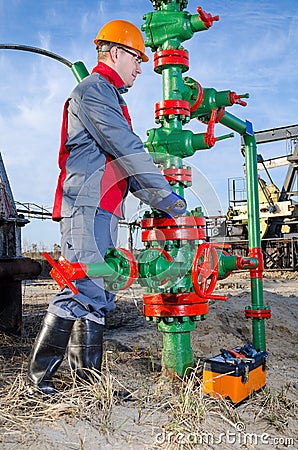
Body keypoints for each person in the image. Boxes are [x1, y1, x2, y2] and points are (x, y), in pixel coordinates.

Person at [27, 20, 187, 395]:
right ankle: (39, 383)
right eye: (136, 57)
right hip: (86, 206)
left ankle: (89, 383)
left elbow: (123, 162)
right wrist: (169, 201)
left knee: (101, 288)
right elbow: (127, 149)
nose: (141, 66)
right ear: (116, 53)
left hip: (104, 207)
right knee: (80, 284)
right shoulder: (95, 91)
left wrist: (156, 200)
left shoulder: (111, 95)